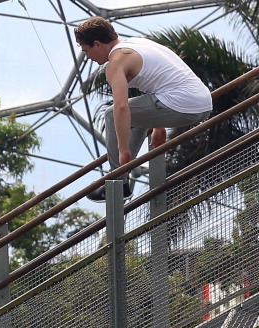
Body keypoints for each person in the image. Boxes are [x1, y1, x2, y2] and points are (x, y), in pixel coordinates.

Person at [74, 17, 212, 202]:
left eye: (86, 50)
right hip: (203, 103)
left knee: (111, 114)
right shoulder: (138, 44)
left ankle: (118, 179)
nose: (88, 57)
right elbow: (159, 79)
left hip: (181, 105)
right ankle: (121, 175)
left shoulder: (116, 62)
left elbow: (121, 107)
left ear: (97, 44)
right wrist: (158, 125)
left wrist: (123, 149)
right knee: (134, 111)